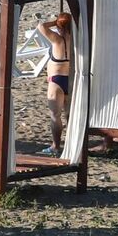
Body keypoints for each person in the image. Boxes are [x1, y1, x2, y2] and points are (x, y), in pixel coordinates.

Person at [34, 13, 73, 155]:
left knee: (55, 115)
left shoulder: (57, 40)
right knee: (69, 115)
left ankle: (56, 146)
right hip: (70, 79)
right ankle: (72, 145)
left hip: (56, 81)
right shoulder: (75, 39)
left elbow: (41, 26)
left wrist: (54, 22)